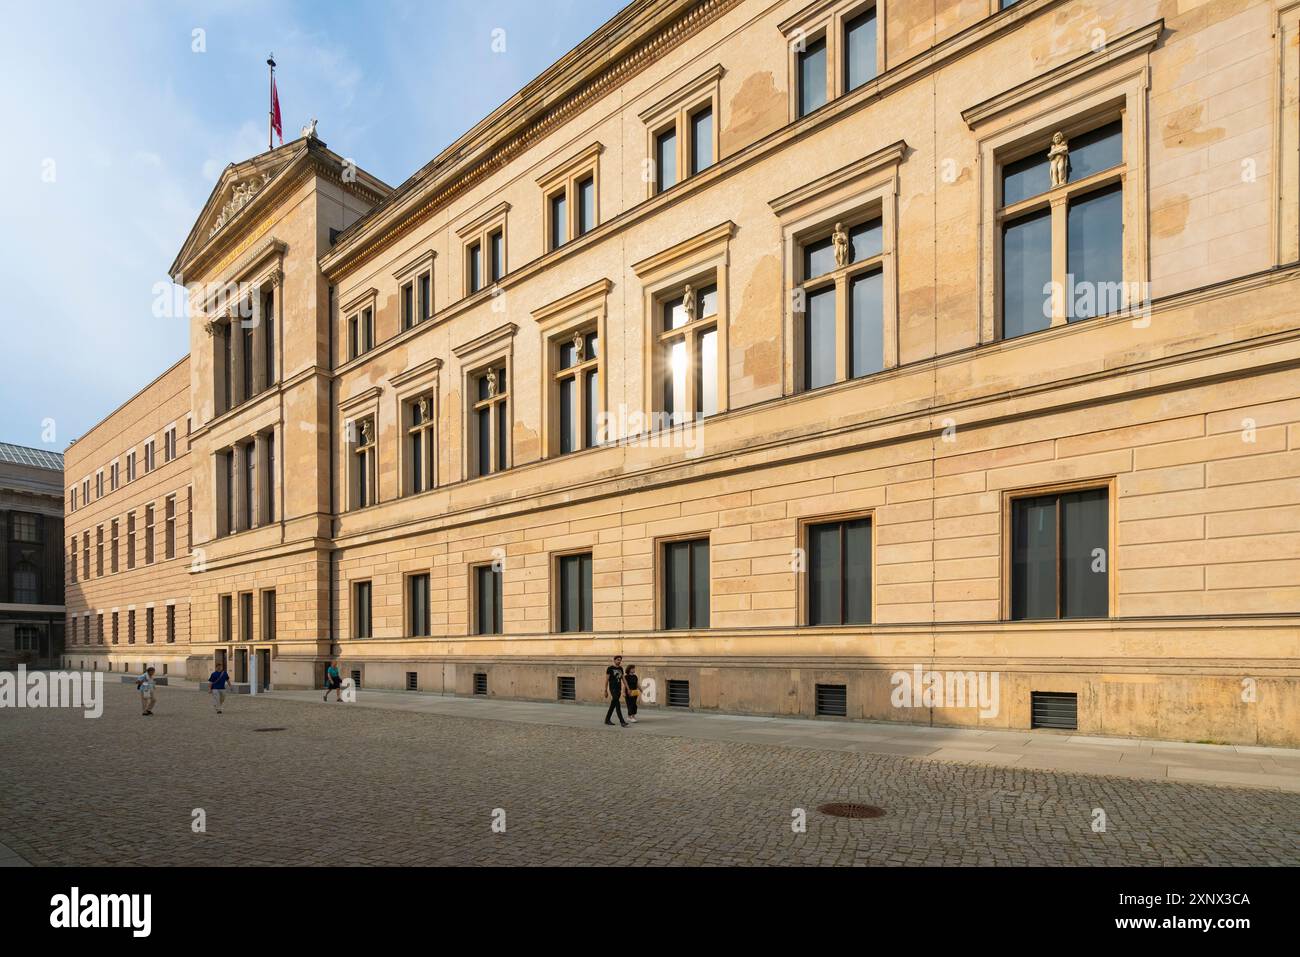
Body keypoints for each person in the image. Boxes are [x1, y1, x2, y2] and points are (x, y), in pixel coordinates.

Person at [603, 655, 629, 728]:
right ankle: (622, 721)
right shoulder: (610, 668)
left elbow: (623, 679)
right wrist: (605, 690)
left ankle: (607, 719)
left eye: (620, 660)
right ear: (614, 660)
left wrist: (628, 688)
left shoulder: (621, 668)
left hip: (618, 689)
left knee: (613, 705)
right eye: (618, 660)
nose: (619, 661)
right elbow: (607, 680)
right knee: (617, 705)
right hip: (613, 688)